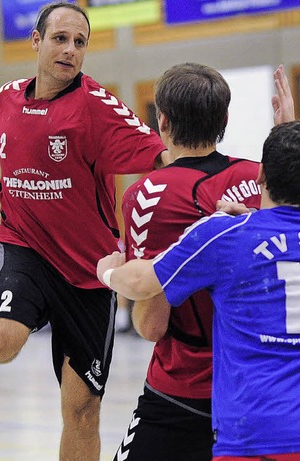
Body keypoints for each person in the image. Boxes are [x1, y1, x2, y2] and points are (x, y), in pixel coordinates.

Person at [0, 2, 168, 459]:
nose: (70, 50)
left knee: (81, 412)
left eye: (80, 42)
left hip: (90, 272)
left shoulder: (98, 109)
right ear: (36, 42)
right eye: (60, 38)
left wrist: (213, 184)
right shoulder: (9, 98)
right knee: (1, 340)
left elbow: (161, 157)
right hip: (24, 247)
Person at [97, 120, 300, 461]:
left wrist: (107, 272)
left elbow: (139, 282)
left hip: (263, 434)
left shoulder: (227, 235)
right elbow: (291, 247)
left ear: (261, 175)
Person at [113, 62, 272, 461]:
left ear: (161, 121)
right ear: (225, 119)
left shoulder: (148, 196)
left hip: (184, 390)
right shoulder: (262, 179)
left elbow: (151, 325)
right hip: (260, 384)